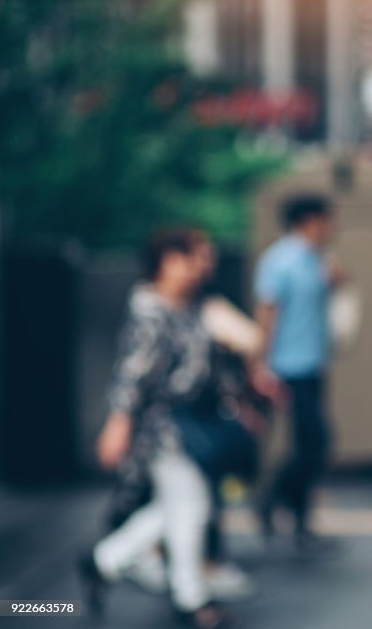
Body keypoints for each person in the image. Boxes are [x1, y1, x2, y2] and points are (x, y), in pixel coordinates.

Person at [78, 227, 233, 628]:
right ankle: (190, 596)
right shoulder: (151, 311)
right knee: (191, 505)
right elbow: (132, 374)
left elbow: (205, 369)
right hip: (164, 428)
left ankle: (105, 560)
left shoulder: (187, 308)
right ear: (166, 261)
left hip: (189, 423)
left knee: (176, 507)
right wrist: (118, 422)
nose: (202, 267)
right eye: (193, 258)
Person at [253, 194, 342, 548]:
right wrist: (260, 365)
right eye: (327, 219)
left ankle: (297, 518)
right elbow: (267, 313)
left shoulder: (316, 259)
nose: (332, 227)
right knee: (314, 441)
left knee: (311, 443)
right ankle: (275, 499)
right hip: (287, 366)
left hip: (313, 363)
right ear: (309, 220)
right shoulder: (280, 260)